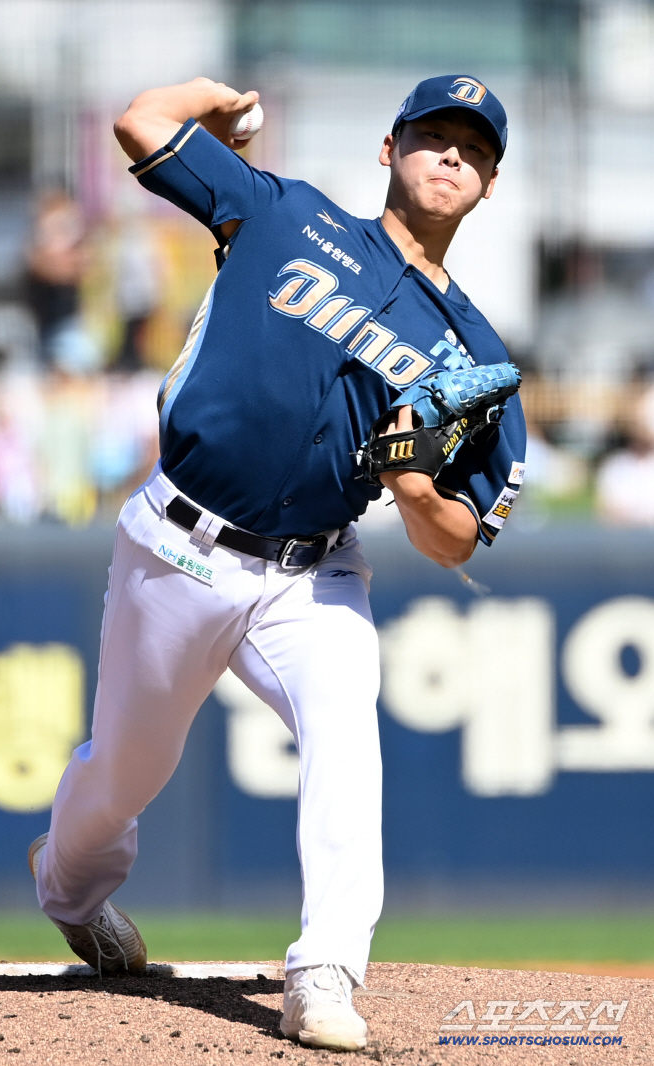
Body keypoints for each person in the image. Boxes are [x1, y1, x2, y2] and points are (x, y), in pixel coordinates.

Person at [28, 74, 526, 1051]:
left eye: (473, 146)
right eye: (433, 134)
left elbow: (461, 536)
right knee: (125, 772)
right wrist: (211, 101)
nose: (451, 153)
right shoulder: (282, 211)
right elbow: (139, 125)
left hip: (314, 571)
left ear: (489, 185)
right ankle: (71, 889)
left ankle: (327, 968)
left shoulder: (470, 357)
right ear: (389, 149)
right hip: (178, 541)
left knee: (348, 737)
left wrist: (420, 492)